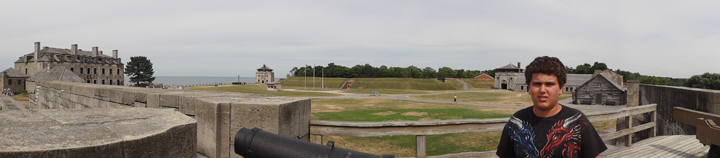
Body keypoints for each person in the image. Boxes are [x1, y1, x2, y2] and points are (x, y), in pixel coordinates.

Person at [496, 56, 607, 158]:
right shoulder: (516, 121)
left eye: (549, 84)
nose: (542, 90)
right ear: (529, 88)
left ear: (560, 89)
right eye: (536, 84)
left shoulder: (578, 120)